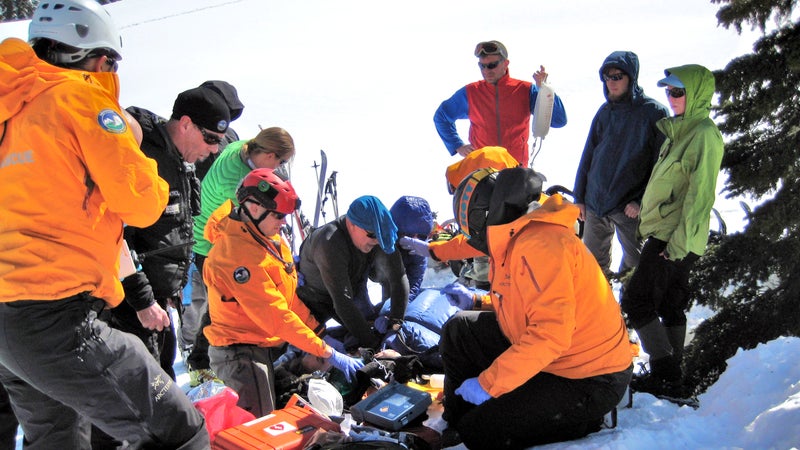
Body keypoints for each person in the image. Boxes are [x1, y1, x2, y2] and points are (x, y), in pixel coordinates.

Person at [0, 0, 208, 447]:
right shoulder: (81, 98)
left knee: (58, 439)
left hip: (9, 321)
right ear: (97, 57)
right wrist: (137, 156)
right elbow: (142, 205)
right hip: (59, 316)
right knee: (182, 432)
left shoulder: (10, 108)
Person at [438, 167, 633, 449]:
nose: (471, 236)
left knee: (481, 432)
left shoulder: (540, 246)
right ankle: (457, 423)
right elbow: (530, 303)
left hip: (590, 376)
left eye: (470, 227)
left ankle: (581, 419)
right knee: (461, 329)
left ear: (485, 217)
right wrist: (478, 301)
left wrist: (488, 384)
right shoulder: (517, 237)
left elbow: (550, 335)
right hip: (556, 353)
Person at [203, 168, 364, 417]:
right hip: (240, 354)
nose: (284, 222)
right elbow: (276, 316)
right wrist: (326, 352)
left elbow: (288, 301)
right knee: (256, 431)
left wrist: (320, 333)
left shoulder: (269, 238)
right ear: (254, 208)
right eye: (279, 215)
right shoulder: (237, 256)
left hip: (261, 344)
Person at [109, 84, 231, 380]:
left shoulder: (179, 159)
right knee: (142, 396)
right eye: (211, 139)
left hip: (158, 304)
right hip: (129, 307)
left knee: (162, 385)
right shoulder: (144, 157)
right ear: (186, 124)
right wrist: (143, 301)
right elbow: (116, 237)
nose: (214, 149)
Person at [622, 64, 724, 398]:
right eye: (669, 91)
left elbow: (700, 194)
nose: (671, 97)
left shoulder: (703, 135)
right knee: (668, 303)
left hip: (675, 235)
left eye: (678, 91)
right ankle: (673, 377)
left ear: (695, 95)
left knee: (636, 299)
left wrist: (678, 243)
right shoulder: (681, 131)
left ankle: (665, 375)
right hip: (672, 233)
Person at [185, 126, 296, 386]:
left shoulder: (245, 146)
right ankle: (200, 364)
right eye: (280, 161)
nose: (280, 166)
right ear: (268, 154)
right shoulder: (235, 182)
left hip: (217, 231)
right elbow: (248, 220)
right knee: (221, 304)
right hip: (209, 240)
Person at [573, 51, 670, 279]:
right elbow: (588, 156)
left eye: (617, 77)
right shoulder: (605, 112)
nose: (611, 83)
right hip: (596, 202)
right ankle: (599, 314)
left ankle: (631, 312)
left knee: (636, 269)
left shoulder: (654, 113)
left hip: (629, 207)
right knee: (593, 270)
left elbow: (661, 166)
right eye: (606, 77)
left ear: (631, 78)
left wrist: (641, 200)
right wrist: (579, 197)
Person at [297, 196, 409, 351]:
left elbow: (398, 277)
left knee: (370, 328)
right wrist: (373, 344)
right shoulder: (329, 241)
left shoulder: (377, 235)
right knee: (305, 349)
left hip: (352, 288)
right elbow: (343, 302)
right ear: (352, 224)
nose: (376, 241)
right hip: (314, 301)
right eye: (372, 235)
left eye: (379, 237)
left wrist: (395, 324)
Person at [434, 40, 568, 167]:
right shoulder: (471, 92)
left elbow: (558, 120)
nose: (486, 71)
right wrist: (457, 145)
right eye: (482, 66)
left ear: (505, 63)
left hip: (515, 172)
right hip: (480, 173)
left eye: (492, 65)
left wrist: (544, 89)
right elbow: (441, 117)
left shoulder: (525, 90)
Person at [387, 196, 435, 302]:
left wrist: (402, 307)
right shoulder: (381, 244)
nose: (415, 239)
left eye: (421, 235)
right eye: (409, 234)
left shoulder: (419, 248)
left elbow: (414, 280)